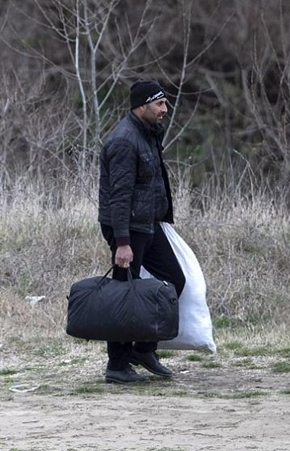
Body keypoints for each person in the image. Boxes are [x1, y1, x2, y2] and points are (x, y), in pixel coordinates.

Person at [97, 79, 186, 384]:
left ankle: (144, 349)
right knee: (125, 294)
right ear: (142, 105)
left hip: (147, 223)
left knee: (175, 280)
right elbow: (119, 196)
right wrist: (122, 243)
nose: (165, 109)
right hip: (127, 227)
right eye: (159, 104)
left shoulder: (146, 134)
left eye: (165, 103)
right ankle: (117, 366)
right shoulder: (124, 140)